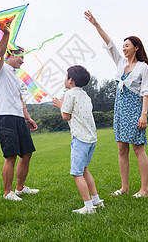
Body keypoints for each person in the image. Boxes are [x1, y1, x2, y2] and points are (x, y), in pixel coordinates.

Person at [85, 10, 148, 198]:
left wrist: (143, 114)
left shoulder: (142, 67)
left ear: (136, 48)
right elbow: (109, 43)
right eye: (123, 46)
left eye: (127, 46)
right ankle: (125, 188)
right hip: (120, 110)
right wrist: (96, 24)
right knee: (122, 149)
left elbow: (146, 92)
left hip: (135, 110)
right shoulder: (120, 63)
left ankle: (144, 190)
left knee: (138, 148)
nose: (124, 49)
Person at [0, 21, 39, 201]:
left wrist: (28, 118)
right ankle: (7, 193)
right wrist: (5, 35)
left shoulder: (15, 76)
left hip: (19, 118)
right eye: (21, 56)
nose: (23, 59)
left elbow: (20, 100)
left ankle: (20, 188)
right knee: (10, 156)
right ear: (11, 55)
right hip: (5, 118)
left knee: (27, 153)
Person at [52, 65, 104, 214]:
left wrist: (61, 106)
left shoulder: (70, 94)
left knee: (77, 173)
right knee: (84, 169)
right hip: (91, 138)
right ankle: (96, 201)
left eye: (66, 76)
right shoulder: (85, 95)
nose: (65, 79)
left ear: (71, 80)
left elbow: (65, 116)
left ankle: (88, 207)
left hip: (80, 139)